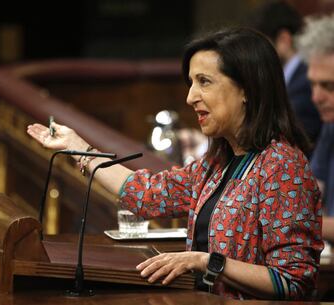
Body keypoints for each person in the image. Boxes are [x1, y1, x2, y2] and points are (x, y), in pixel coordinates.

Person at [27, 28, 323, 300]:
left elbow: (292, 281)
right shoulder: (219, 162)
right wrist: (79, 148)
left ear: (247, 88)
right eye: (191, 83)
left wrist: (206, 261)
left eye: (204, 82)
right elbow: (147, 194)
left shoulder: (282, 166)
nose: (191, 97)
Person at [247, 0, 322, 148]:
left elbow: (283, 140)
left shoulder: (307, 81)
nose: (256, 56)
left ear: (283, 40)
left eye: (262, 46)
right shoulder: (293, 78)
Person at [296, 14, 334, 241]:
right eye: (312, 84)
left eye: (328, 86)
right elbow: (310, 193)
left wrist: (285, 221)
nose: (316, 97)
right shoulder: (330, 127)